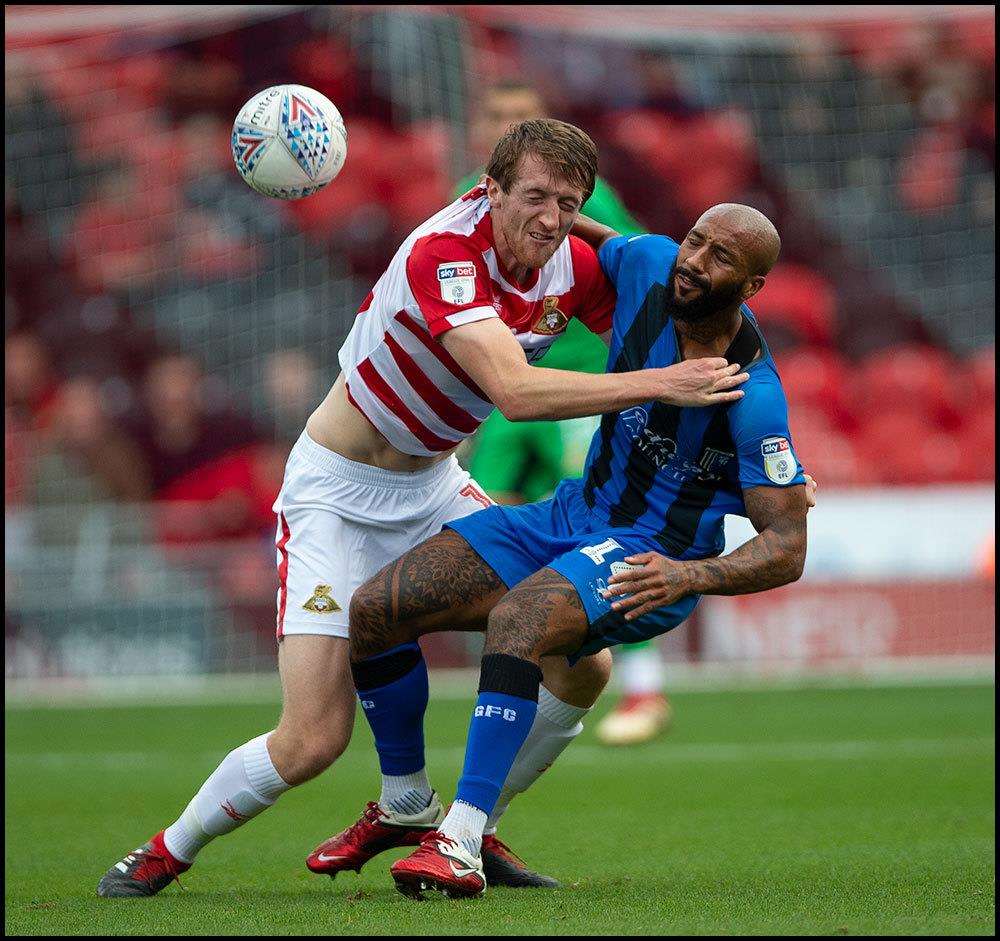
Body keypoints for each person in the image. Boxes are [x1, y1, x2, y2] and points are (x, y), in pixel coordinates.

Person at [96, 119, 749, 898]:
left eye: (567, 204)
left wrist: (760, 451)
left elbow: (660, 320)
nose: (549, 218)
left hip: (434, 483)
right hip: (335, 495)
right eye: (534, 197)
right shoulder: (446, 254)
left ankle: (464, 828)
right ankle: (167, 848)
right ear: (489, 190)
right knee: (312, 739)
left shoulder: (567, 264)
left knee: (583, 662)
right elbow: (517, 390)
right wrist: (662, 385)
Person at [343, 203, 810, 899]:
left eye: (720, 258)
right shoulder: (652, 260)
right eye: (696, 240)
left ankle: (462, 840)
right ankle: (408, 798)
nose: (694, 261)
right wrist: (529, 206)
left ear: (752, 286)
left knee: (519, 621)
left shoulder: (755, 398)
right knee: (377, 607)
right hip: (569, 512)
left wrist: (688, 574)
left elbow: (788, 546)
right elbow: (597, 235)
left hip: (650, 554)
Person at [458, 79, 676, 748]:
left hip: (576, 384)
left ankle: (642, 684)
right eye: (495, 115)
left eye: (517, 116)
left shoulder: (579, 194)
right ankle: (522, 655)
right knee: (479, 520)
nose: (504, 125)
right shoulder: (476, 195)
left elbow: (635, 267)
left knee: (596, 527)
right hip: (512, 386)